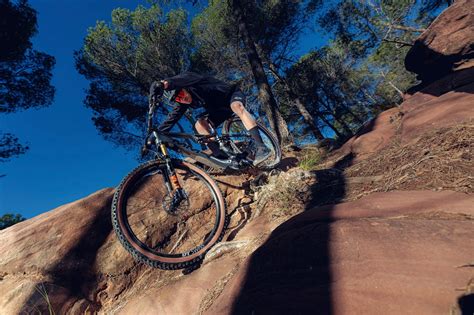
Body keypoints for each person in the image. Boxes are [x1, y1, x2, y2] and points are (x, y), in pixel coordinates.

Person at [149, 71, 271, 165]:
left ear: (184, 87)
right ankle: (222, 157)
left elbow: (184, 77)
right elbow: (171, 119)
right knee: (199, 125)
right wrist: (153, 137)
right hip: (220, 110)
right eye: (178, 99)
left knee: (236, 106)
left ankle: (261, 146)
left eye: (181, 94)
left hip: (231, 95)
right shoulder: (183, 103)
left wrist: (164, 84)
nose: (182, 99)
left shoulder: (194, 82)